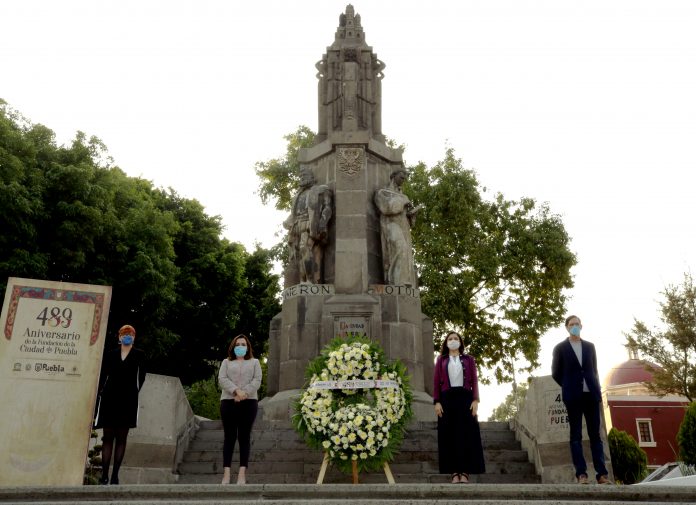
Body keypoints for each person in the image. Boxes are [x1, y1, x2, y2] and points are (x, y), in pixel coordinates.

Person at [551, 315, 611, 484]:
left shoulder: (590, 347)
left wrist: (596, 389)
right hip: (573, 397)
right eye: (572, 324)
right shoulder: (560, 348)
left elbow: (594, 369)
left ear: (582, 326)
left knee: (595, 436)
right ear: (567, 327)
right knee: (576, 436)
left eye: (577, 324)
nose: (575, 326)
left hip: (591, 395)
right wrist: (568, 385)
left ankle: (602, 474)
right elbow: (556, 372)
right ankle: (581, 474)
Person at [94, 324, 147, 485]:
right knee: (108, 437)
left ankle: (115, 475)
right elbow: (103, 376)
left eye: (130, 334)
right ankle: (104, 475)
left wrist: (133, 393)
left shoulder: (139, 355)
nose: (127, 336)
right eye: (124, 334)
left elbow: (142, 377)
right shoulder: (110, 354)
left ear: (134, 337)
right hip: (109, 397)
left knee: (122, 438)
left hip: (128, 399)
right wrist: (99, 395)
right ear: (119, 337)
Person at [433, 331, 485, 484]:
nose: (453, 340)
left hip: (465, 399)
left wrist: (475, 400)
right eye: (450, 338)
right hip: (446, 400)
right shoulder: (441, 360)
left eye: (456, 338)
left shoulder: (469, 359)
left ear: (460, 342)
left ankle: (465, 472)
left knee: (466, 435)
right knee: (449, 436)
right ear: (446, 342)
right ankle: (454, 472)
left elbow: (474, 380)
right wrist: (437, 402)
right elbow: (436, 382)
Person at [218, 334, 262, 485]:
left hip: (249, 403)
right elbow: (222, 379)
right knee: (229, 437)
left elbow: (257, 380)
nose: (241, 347)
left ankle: (242, 474)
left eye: (243, 344)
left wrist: (245, 393)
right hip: (228, 402)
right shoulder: (226, 362)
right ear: (233, 346)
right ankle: (226, 473)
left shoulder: (255, 362)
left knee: (244, 437)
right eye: (238, 344)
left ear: (248, 347)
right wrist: (236, 391)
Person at [283, 166, 333, 284]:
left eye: (304, 176)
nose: (302, 178)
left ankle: (311, 281)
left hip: (310, 224)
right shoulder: (297, 195)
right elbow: (294, 213)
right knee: (299, 254)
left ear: (311, 177)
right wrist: (287, 222)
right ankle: (303, 280)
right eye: (300, 177)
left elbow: (327, 208)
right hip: (296, 226)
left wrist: (322, 223)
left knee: (305, 248)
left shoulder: (321, 190)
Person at [374, 168, 421, 287]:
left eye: (405, 178)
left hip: (403, 226)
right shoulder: (382, 192)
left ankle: (402, 281)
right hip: (391, 225)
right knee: (401, 248)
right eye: (401, 177)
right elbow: (387, 208)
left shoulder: (403, 195)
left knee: (405, 252)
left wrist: (411, 216)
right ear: (393, 175)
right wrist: (403, 201)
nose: (403, 180)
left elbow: (405, 216)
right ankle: (395, 281)